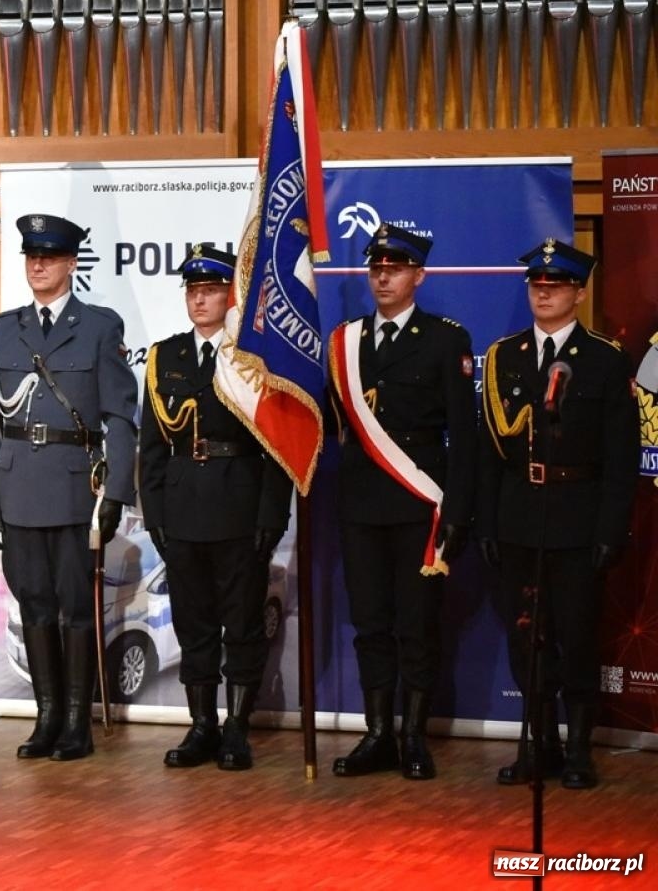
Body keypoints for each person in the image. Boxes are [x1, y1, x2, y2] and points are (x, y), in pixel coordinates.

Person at [0, 213, 137, 762]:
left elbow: (119, 416)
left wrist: (114, 492)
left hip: (72, 489)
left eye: (49, 257)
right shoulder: (2, 329)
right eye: (31, 256)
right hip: (17, 487)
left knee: (72, 608)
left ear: (70, 264)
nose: (37, 264)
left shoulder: (98, 326)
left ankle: (75, 722)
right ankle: (45, 718)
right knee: (33, 606)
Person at [477, 237, 638, 790]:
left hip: (578, 517)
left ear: (579, 292)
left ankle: (578, 751)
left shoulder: (604, 360)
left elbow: (621, 459)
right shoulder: (505, 356)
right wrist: (487, 522)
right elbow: (487, 454)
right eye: (536, 285)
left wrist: (610, 530)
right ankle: (537, 746)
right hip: (519, 516)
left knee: (576, 636)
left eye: (556, 286)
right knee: (526, 641)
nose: (543, 294)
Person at [327, 224, 475, 781]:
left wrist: (457, 512)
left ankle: (413, 734)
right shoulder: (345, 341)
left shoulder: (444, 340)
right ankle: (378, 732)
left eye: (395, 268)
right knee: (370, 624)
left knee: (417, 625)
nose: (383, 276)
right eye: (376, 268)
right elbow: (334, 422)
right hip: (361, 505)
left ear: (419, 276)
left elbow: (463, 436)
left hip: (420, 505)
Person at [139, 246, 292, 771]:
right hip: (182, 507)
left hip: (240, 504)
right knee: (193, 625)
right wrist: (155, 513)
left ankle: (236, 729)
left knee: (242, 625)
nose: (199, 297)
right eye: (192, 289)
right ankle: (201, 725)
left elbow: (276, 446)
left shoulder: (252, 359)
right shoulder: (166, 356)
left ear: (232, 296)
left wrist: (273, 516)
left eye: (210, 289)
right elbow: (153, 446)